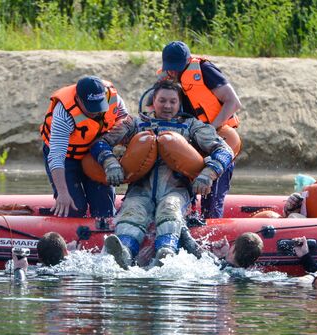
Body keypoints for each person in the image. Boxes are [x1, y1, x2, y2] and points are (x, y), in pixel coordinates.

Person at [94, 80, 234, 269]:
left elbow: (225, 151)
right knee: (132, 211)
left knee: (170, 208)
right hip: (140, 189)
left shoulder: (192, 126)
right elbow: (100, 144)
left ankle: (165, 251)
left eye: (172, 101)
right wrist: (110, 163)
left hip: (176, 190)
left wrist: (208, 173)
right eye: (162, 100)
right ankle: (124, 252)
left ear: (179, 103)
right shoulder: (134, 124)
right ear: (153, 101)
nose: (167, 106)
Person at [157, 41, 242, 219]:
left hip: (218, 141)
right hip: (191, 143)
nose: (173, 72)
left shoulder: (205, 70)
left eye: (177, 68)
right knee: (182, 188)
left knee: (211, 199)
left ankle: (211, 231)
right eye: (170, 68)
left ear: (187, 60)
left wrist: (211, 129)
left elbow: (233, 102)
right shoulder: (169, 81)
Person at [40, 75, 129, 218]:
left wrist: (111, 158)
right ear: (79, 99)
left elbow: (125, 122)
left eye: (99, 106)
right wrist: (63, 194)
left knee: (104, 209)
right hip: (66, 157)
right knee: (74, 208)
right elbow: (56, 157)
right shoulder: (64, 113)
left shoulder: (113, 99)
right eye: (91, 108)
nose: (96, 112)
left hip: (94, 153)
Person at [178, 229, 264, 269]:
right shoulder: (248, 273)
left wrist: (182, 226)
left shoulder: (215, 263)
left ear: (234, 250)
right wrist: (222, 256)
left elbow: (190, 244)